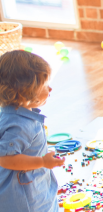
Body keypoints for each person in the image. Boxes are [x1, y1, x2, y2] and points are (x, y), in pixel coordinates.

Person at [0, 50, 64, 212]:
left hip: (32, 187)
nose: (50, 88)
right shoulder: (19, 124)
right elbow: (6, 159)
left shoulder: (13, 113)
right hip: (24, 199)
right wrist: (42, 162)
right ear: (25, 90)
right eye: (44, 85)